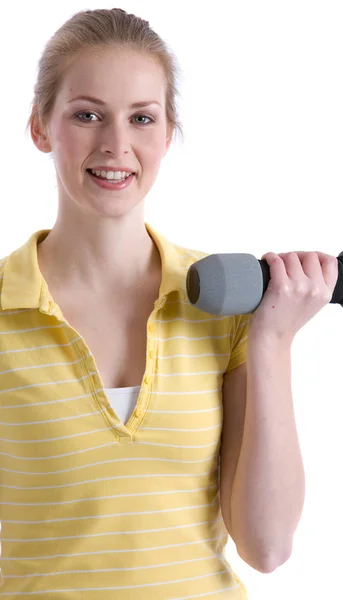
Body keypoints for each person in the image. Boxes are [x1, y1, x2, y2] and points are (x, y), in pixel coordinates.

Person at [0, 9, 251, 598]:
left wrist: (275, 338)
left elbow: (268, 547)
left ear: (166, 135)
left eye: (142, 118)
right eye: (87, 115)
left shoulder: (229, 306)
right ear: (40, 127)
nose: (117, 145)